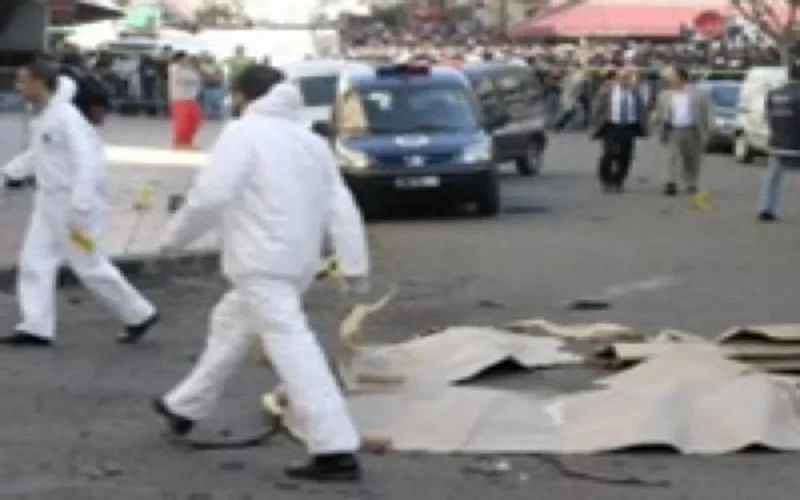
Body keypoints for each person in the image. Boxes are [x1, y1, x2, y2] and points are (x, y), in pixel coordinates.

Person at [153, 65, 369, 482]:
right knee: (231, 322)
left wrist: (172, 238)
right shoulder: (310, 142)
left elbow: (210, 196)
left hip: (259, 261)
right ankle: (185, 406)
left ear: (241, 95)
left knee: (293, 348)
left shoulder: (243, 133)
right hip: (296, 262)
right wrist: (354, 263)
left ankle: (335, 448)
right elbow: (341, 206)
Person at [0, 58, 159, 347]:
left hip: (72, 205)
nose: (19, 87)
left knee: (88, 264)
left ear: (39, 82)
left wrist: (81, 204)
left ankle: (139, 313)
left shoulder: (66, 117)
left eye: (23, 81)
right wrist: (9, 173)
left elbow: (88, 162)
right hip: (49, 202)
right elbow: (39, 154)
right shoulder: (50, 115)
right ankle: (36, 326)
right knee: (35, 261)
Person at [653, 65, 714, 196]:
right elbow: (659, 111)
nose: (669, 79)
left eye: (672, 76)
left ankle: (691, 183)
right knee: (672, 157)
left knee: (692, 158)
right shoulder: (664, 95)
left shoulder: (699, 94)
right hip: (673, 130)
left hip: (692, 130)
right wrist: (655, 121)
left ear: (681, 77)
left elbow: (708, 110)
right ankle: (671, 182)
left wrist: (710, 127)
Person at [589, 66, 649, 192]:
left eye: (627, 78)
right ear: (616, 78)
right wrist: (595, 123)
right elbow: (597, 108)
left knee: (625, 155)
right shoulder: (607, 91)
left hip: (629, 126)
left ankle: (618, 180)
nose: (624, 80)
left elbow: (641, 108)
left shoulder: (635, 92)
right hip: (611, 125)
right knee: (608, 154)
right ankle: (606, 180)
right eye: (622, 77)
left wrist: (644, 124)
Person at [758, 56, 800, 222]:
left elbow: (767, 117)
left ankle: (766, 209)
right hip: (797, 144)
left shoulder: (774, 93)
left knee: (772, 178)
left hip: (778, 143)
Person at [168, 51, 203, 149]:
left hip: (191, 99)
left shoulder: (192, 70)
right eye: (185, 58)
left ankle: (187, 141)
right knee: (182, 123)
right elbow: (187, 78)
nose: (188, 60)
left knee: (196, 120)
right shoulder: (174, 68)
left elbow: (197, 81)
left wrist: (195, 66)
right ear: (179, 59)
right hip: (180, 99)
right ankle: (179, 143)